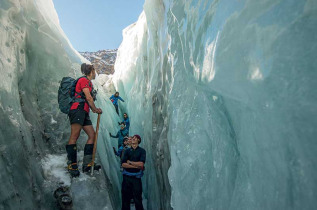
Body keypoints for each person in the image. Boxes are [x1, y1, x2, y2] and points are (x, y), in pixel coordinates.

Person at [66, 63, 102, 177]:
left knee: (92, 135)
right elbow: (88, 97)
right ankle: (72, 164)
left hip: (84, 111)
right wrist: (95, 109)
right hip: (77, 109)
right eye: (94, 70)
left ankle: (87, 164)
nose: (95, 72)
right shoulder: (83, 81)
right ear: (91, 71)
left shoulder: (89, 82)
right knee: (74, 136)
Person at [121, 135, 146, 210]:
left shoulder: (142, 151)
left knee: (138, 199)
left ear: (138, 140)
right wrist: (136, 166)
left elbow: (141, 164)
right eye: (132, 138)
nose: (132, 139)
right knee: (125, 199)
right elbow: (123, 164)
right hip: (126, 178)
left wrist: (130, 162)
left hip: (136, 179)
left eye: (134, 138)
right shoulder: (127, 151)